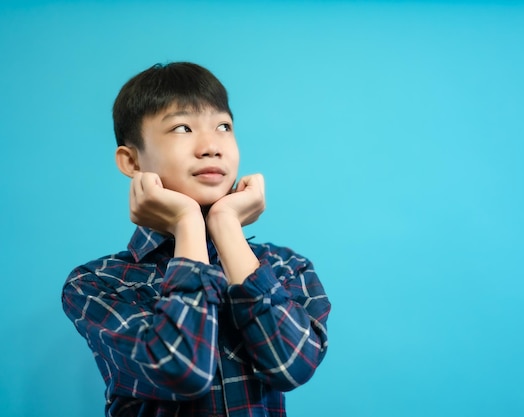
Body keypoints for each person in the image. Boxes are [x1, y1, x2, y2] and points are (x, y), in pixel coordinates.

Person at [61, 62, 331, 417]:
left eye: (223, 126)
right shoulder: (97, 283)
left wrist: (225, 224)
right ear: (131, 161)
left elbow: (290, 366)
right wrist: (187, 224)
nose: (211, 146)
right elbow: (183, 372)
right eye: (182, 127)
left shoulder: (285, 267)